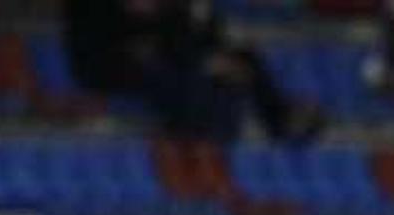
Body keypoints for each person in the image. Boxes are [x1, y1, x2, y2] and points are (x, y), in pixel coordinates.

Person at [64, 0, 323, 142]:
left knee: (244, 59)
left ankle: (278, 117)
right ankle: (193, 124)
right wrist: (205, 63)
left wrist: (214, 55)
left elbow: (198, 34)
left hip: (174, 53)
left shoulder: (181, 12)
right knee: (181, 75)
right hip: (117, 61)